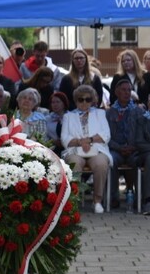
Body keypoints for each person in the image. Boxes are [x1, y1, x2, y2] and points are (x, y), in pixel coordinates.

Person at [61, 84, 111, 214]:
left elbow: (106, 134)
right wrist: (79, 142)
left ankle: (97, 201)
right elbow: (64, 139)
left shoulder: (100, 113)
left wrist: (89, 140)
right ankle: (74, 200)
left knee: (101, 164)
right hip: (75, 150)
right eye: (80, 99)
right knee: (74, 164)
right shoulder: (68, 116)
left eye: (88, 99)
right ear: (76, 100)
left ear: (93, 100)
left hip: (97, 148)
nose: (84, 102)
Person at [107, 79, 140, 210]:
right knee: (111, 160)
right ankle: (113, 197)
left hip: (134, 149)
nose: (127, 93)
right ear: (116, 92)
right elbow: (106, 136)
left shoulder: (139, 112)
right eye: (123, 90)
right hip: (116, 149)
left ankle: (137, 197)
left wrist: (134, 147)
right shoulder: (109, 113)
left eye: (129, 90)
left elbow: (143, 134)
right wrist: (119, 148)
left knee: (137, 160)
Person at [45, 90, 69, 155]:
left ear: (64, 103)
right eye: (53, 102)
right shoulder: (47, 119)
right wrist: (53, 141)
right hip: (52, 148)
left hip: (68, 147)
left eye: (58, 102)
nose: (55, 104)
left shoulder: (71, 117)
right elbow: (45, 135)